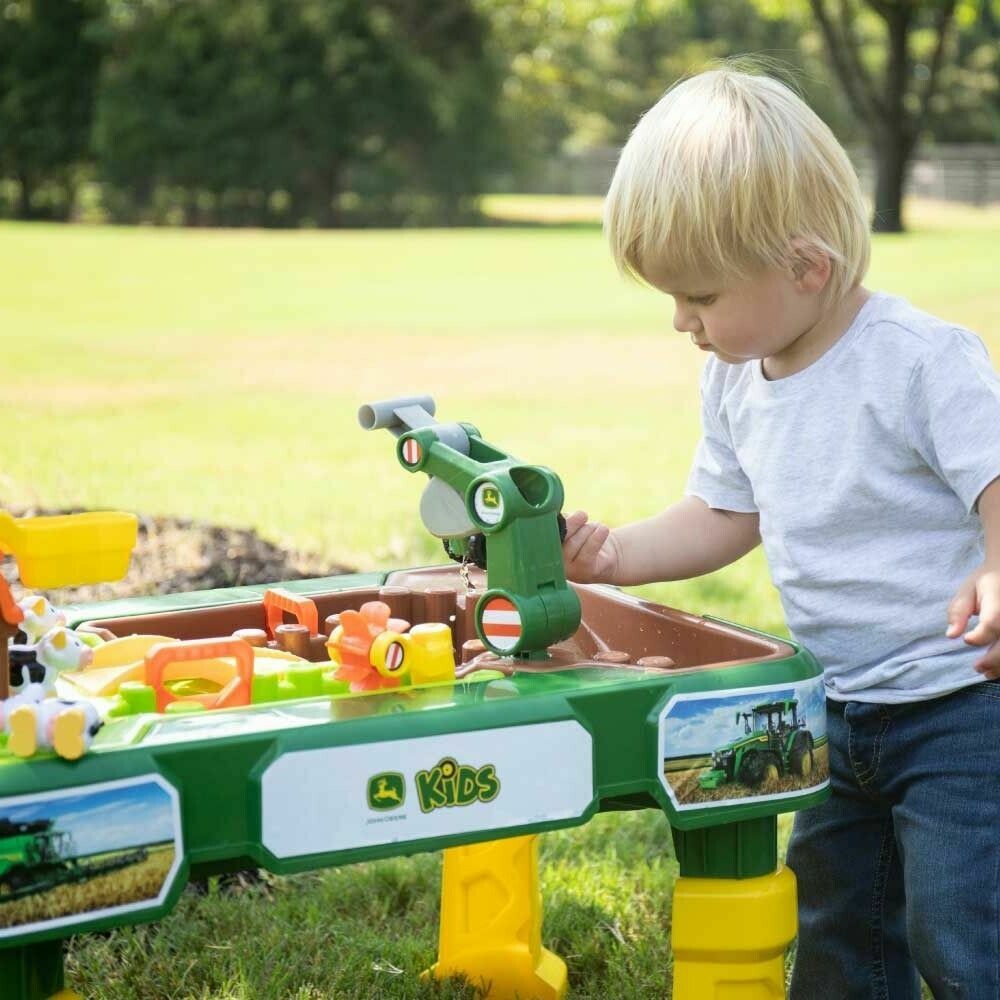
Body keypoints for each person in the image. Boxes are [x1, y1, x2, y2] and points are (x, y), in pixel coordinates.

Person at [563, 64, 1000, 1000]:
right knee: (836, 921)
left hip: (962, 711)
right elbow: (725, 514)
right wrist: (614, 557)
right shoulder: (736, 375)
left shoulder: (920, 363)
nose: (683, 322)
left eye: (701, 296)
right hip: (834, 708)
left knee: (962, 932)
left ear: (807, 267)